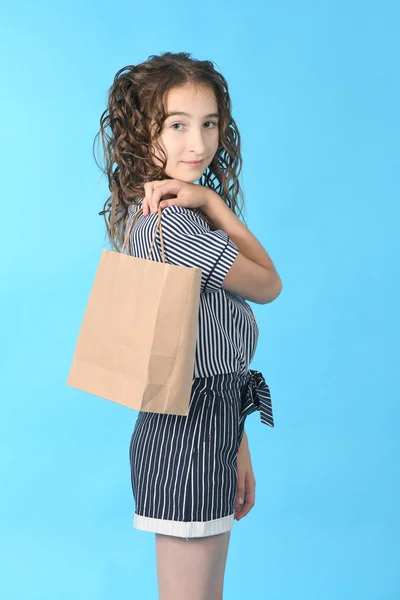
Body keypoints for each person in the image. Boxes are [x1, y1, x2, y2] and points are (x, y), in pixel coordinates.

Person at [95, 51, 282, 600]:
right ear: (142, 130)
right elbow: (269, 285)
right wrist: (216, 206)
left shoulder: (150, 210)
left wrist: (238, 441)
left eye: (209, 124)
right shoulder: (176, 222)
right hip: (189, 430)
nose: (197, 145)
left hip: (205, 418)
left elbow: (207, 348)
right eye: (176, 125)